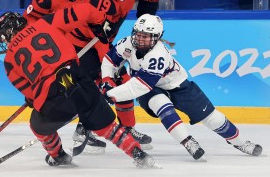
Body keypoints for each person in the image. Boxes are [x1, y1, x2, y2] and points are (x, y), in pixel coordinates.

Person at [0, 3, 160, 168]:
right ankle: (139, 154)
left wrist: (33, 99)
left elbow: (29, 92)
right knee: (108, 128)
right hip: (79, 79)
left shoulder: (8, 61)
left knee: (37, 126)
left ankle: (58, 155)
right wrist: (100, 22)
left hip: (53, 99)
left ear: (7, 35)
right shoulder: (46, 22)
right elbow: (85, 10)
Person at [100, 14, 263, 160]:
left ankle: (239, 142)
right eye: (138, 34)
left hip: (175, 85)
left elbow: (138, 87)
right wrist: (107, 80)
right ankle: (188, 141)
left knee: (213, 118)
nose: (140, 39)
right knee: (161, 105)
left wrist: (110, 94)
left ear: (157, 37)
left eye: (146, 36)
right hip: (151, 89)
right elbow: (109, 60)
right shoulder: (127, 43)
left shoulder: (158, 55)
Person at [66, 0, 159, 150]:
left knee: (119, 83)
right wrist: (109, 68)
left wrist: (146, 15)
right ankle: (85, 129)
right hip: (82, 44)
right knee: (108, 83)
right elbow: (99, 40)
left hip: (103, 39)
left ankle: (124, 128)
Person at [22, 0, 107, 153]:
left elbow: (98, 22)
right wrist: (32, 39)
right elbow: (30, 17)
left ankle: (85, 127)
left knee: (92, 80)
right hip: (56, 49)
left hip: (82, 47)